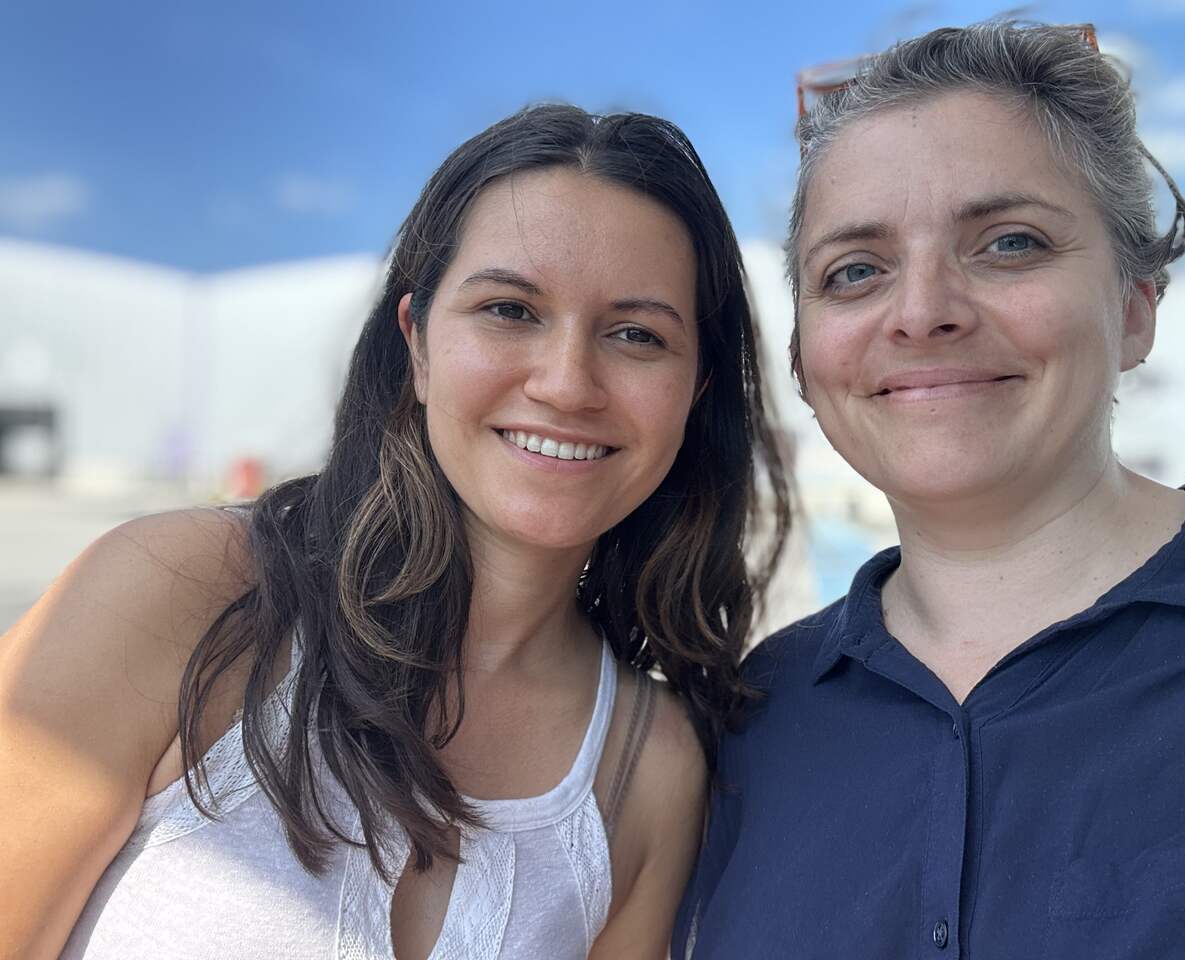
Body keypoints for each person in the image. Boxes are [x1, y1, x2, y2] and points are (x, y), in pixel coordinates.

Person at [0, 104, 791, 959]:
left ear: (695, 390)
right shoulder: (176, 590)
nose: (568, 384)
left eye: (637, 334)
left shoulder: (652, 768)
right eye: (510, 310)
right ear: (417, 345)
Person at [675, 20, 1185, 960]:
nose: (922, 313)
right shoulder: (749, 722)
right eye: (856, 271)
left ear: (1135, 306)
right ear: (801, 357)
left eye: (1008, 243)